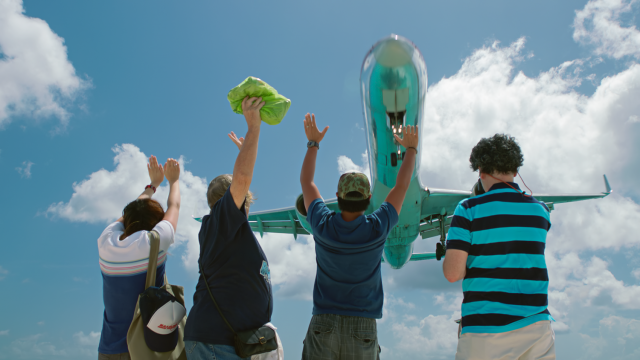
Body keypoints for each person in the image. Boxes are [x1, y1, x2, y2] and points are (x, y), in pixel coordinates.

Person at [299, 113, 419, 360]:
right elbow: (401, 187)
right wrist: (411, 149)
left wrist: (313, 144)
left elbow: (307, 182)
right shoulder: (377, 227)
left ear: (337, 197)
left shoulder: (322, 223)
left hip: (324, 322)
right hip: (362, 325)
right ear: (369, 200)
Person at [443, 134, 555, 360]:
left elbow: (453, 274)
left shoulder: (468, 208)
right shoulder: (541, 210)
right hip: (538, 327)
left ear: (480, 170)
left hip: (486, 328)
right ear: (516, 170)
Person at [183, 97, 273, 360]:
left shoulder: (228, 229)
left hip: (227, 343)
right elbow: (242, 180)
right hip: (217, 343)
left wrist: (243, 152)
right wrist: (254, 128)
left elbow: (240, 185)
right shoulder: (221, 220)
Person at [97, 156, 181, 359]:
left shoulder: (106, 242)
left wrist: (152, 185)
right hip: (147, 348)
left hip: (108, 349)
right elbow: (174, 206)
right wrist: (174, 181)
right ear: (156, 222)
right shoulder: (154, 241)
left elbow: (131, 211)